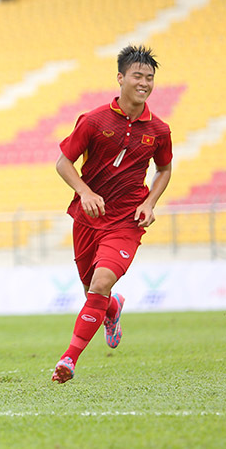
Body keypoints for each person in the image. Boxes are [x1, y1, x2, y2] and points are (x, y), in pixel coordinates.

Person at [52, 45, 172, 383]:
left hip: (126, 221)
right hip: (88, 219)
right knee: (94, 291)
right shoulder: (93, 121)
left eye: (149, 78)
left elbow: (164, 169)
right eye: (138, 75)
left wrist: (149, 203)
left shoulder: (159, 131)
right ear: (120, 78)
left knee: (101, 282)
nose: (144, 83)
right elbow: (64, 163)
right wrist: (85, 191)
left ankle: (68, 360)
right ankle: (112, 309)